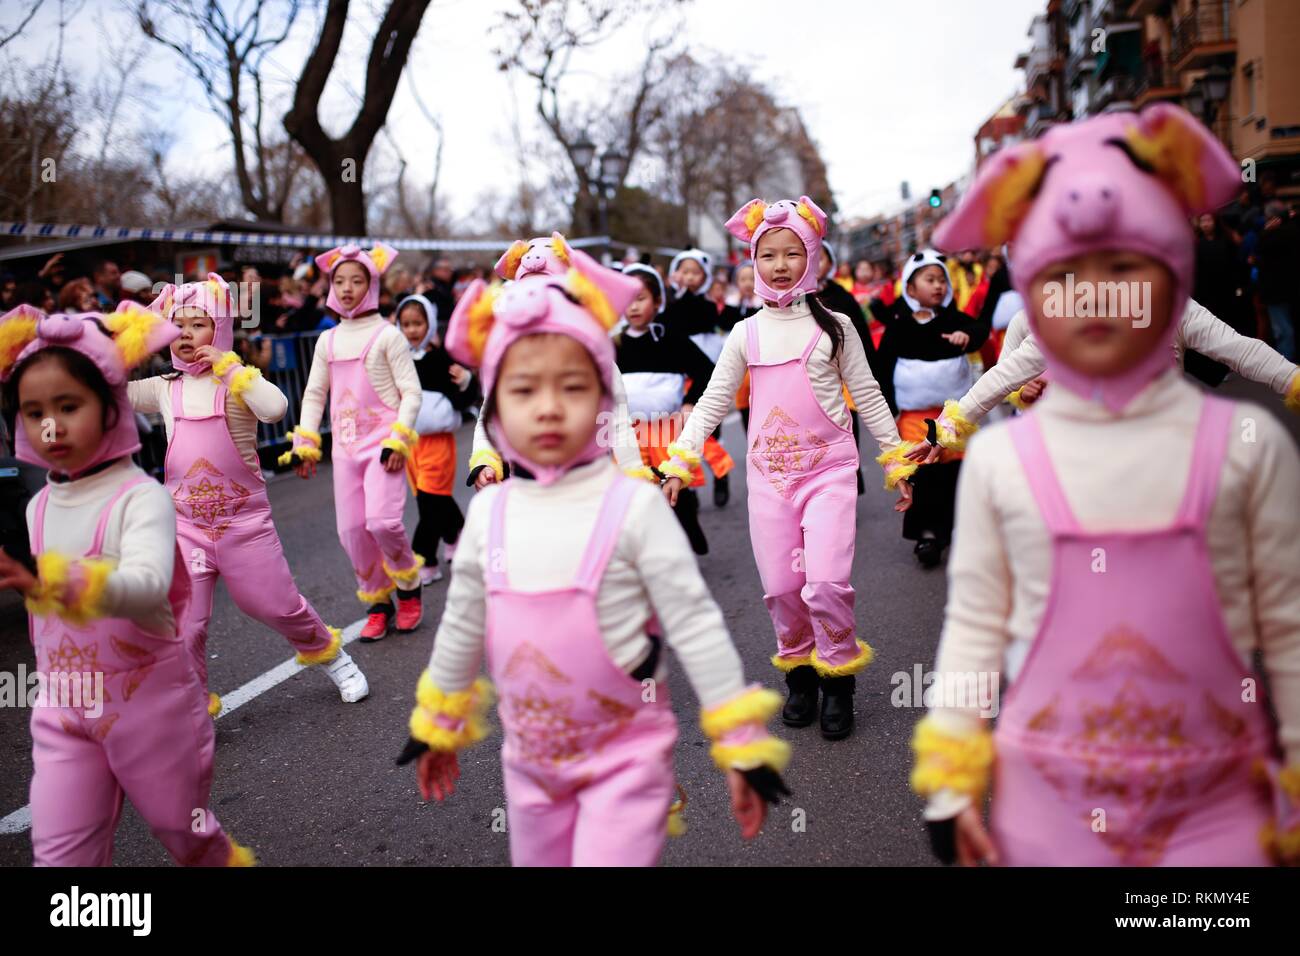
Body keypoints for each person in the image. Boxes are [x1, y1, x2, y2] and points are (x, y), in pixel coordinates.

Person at [910, 103, 1300, 867]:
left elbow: (1285, 624)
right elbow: (976, 625)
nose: (1095, 295)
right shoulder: (1004, 462)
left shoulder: (1247, 449)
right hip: (1050, 801)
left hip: (1217, 804)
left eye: (1126, 269)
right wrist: (952, 773)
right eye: (1064, 276)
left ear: (1170, 274)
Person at [399, 256, 791, 867]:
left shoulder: (633, 508)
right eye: (524, 389)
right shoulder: (489, 516)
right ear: (495, 410)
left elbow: (694, 622)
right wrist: (437, 724)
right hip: (529, 771)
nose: (549, 407)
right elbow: (461, 626)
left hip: (627, 761)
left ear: (606, 399)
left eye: (573, 387)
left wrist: (741, 743)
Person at [0, 302, 254, 866]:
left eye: (68, 406)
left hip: (151, 708)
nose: (50, 425)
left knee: (185, 834)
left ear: (110, 405)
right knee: (61, 857)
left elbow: (144, 586)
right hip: (63, 712)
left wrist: (53, 578)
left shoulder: (142, 497)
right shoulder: (37, 505)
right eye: (33, 411)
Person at [661, 197, 916, 740]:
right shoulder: (744, 333)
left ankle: (837, 681)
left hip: (830, 474)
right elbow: (711, 402)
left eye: (792, 253)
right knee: (782, 587)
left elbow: (868, 396)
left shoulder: (837, 326)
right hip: (769, 481)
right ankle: (799, 673)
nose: (779, 265)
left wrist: (898, 462)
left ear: (813, 258)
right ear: (753, 262)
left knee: (825, 582)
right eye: (767, 255)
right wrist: (680, 460)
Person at [130, 275, 368, 712]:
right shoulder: (165, 387)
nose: (185, 334)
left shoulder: (236, 383)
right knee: (187, 623)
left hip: (244, 527)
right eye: (176, 325)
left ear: (219, 330)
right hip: (188, 531)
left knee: (276, 606)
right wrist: (136, 333)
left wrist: (232, 368)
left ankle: (334, 657)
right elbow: (108, 390)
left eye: (198, 324)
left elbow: (275, 407)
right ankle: (194, 706)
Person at [278, 244, 425, 641]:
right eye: (339, 281)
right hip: (344, 450)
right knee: (352, 532)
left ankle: (409, 589)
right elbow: (313, 395)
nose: (346, 289)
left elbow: (411, 393)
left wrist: (399, 439)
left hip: (384, 447)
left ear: (372, 285)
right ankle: (378, 603)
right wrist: (305, 442)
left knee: (383, 521)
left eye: (357, 281)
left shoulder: (388, 336)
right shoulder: (326, 341)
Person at [876, 250, 988, 567]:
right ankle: (927, 535)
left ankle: (963, 528)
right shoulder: (898, 324)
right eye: (929, 279)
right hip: (915, 417)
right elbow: (883, 366)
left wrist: (967, 336)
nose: (938, 285)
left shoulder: (952, 317)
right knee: (923, 474)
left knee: (958, 471)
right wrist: (887, 408)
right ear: (910, 289)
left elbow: (980, 330)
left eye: (942, 280)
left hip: (955, 413)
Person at [615, 263, 716, 554]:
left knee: (671, 484)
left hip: (666, 428)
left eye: (641, 298)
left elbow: (706, 371)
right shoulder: (613, 344)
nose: (633, 307)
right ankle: (651, 551)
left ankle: (688, 523)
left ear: (657, 301)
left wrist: (689, 402)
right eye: (627, 300)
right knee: (633, 493)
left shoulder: (670, 337)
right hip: (625, 431)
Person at [396, 293, 474, 585]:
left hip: (438, 441)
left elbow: (463, 396)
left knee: (430, 500)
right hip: (410, 443)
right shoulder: (398, 360)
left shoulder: (442, 358)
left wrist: (465, 381)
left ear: (429, 324)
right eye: (406, 324)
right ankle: (458, 535)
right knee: (430, 498)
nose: (412, 329)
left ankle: (424, 559)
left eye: (418, 323)